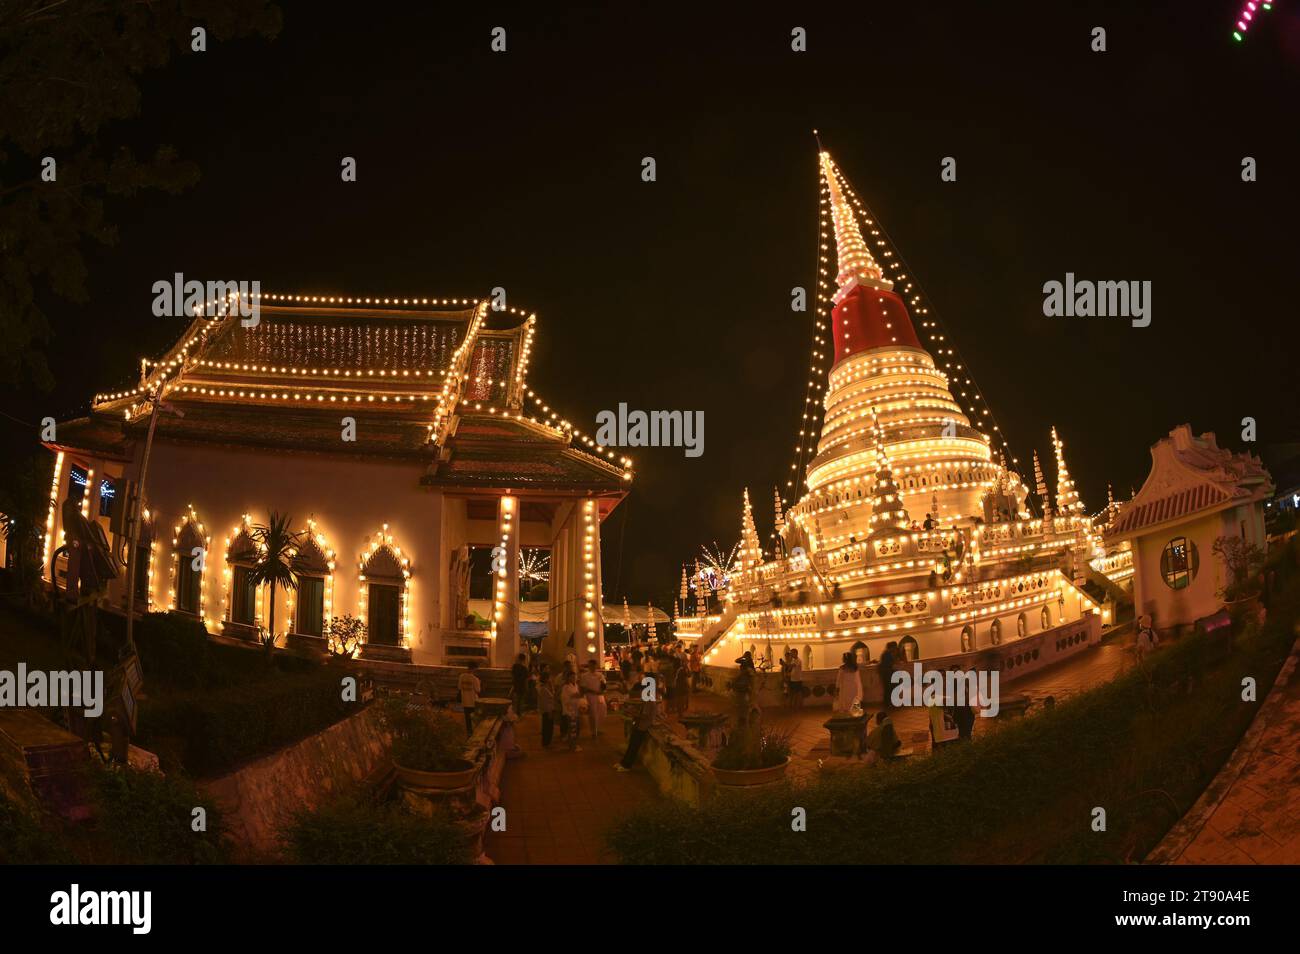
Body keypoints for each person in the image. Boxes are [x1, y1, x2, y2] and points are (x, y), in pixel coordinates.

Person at [616, 674, 657, 772]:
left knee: (634, 747)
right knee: (631, 745)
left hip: (643, 726)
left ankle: (627, 765)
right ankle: (623, 762)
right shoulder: (647, 698)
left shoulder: (649, 699)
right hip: (639, 725)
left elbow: (645, 715)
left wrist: (632, 713)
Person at [579, 659, 607, 738]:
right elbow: (583, 688)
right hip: (590, 696)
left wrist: (602, 689)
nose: (593, 667)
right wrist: (593, 692)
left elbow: (603, 684)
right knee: (593, 713)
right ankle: (593, 731)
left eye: (594, 665)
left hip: (599, 696)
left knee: (602, 712)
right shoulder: (584, 676)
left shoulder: (600, 675)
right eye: (591, 665)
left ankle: (598, 728)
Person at [458, 661, 481, 736]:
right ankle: (475, 732)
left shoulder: (461, 676)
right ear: (474, 669)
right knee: (474, 718)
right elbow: (478, 690)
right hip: (473, 701)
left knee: (467, 719)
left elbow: (459, 687)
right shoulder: (475, 679)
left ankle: (469, 732)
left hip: (465, 700)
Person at [560, 672, 583, 751]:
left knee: (577, 728)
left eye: (574, 677)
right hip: (570, 711)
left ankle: (574, 744)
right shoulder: (566, 687)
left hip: (576, 710)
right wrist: (573, 696)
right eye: (572, 677)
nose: (574, 678)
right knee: (572, 729)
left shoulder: (575, 685)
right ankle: (572, 746)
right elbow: (564, 699)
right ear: (568, 678)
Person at [537, 666, 556, 747]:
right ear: (545, 679)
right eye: (548, 678)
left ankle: (547, 742)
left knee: (548, 726)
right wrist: (549, 711)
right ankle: (546, 743)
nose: (550, 680)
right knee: (547, 727)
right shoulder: (543, 689)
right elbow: (545, 702)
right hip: (547, 710)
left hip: (549, 709)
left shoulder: (545, 687)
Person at [878, 641, 900, 710]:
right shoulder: (887, 654)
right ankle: (888, 704)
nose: (895, 648)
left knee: (888, 689)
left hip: (886, 674)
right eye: (894, 647)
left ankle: (888, 704)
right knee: (888, 689)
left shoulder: (886, 653)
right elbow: (890, 664)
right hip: (887, 674)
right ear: (892, 647)